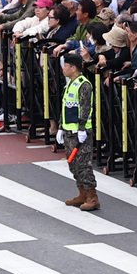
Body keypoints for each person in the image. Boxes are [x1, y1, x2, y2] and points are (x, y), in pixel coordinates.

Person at [57, 53, 99, 211]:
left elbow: (85, 107)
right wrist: (61, 127)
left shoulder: (84, 84)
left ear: (73, 68)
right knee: (73, 164)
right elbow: (66, 106)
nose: (63, 69)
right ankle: (82, 193)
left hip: (81, 133)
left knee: (83, 165)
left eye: (65, 66)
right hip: (69, 131)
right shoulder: (70, 84)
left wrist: (82, 129)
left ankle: (92, 196)